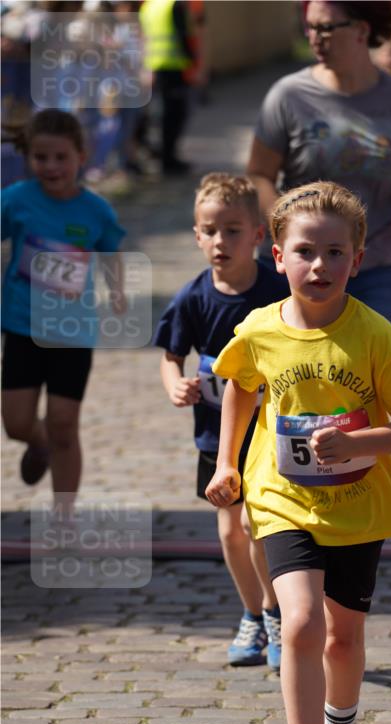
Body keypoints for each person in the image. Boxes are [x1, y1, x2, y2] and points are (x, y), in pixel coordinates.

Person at [205, 181, 391, 724]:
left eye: (335, 253)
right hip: (281, 498)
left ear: (357, 261)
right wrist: (228, 463)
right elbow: (239, 388)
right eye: (305, 251)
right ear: (276, 255)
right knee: (301, 622)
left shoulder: (375, 335)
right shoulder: (258, 328)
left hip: (359, 506)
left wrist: (359, 440)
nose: (319, 266)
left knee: (343, 637)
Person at [154, 173, 288, 669]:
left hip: (272, 432)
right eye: (209, 231)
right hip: (216, 434)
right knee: (231, 532)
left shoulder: (279, 290)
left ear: (259, 235)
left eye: (232, 230)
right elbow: (171, 354)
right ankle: (252, 614)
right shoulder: (192, 297)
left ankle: (274, 612)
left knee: (257, 526)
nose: (219, 241)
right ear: (196, 235)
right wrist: (175, 384)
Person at [246, 0, 391, 333]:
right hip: (298, 269)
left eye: (326, 28)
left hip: (376, 267)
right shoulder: (289, 96)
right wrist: (286, 224)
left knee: (373, 378)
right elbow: (259, 174)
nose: (315, 38)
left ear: (362, 29)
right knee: (289, 378)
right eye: (309, 28)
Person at [1, 109, 126, 516]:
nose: (50, 167)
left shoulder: (96, 211)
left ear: (81, 156)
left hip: (72, 331)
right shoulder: (16, 200)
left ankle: (63, 518)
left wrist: (118, 291)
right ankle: (37, 443)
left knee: (63, 424)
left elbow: (111, 252)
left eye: (60, 157)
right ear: (28, 158)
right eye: (41, 157)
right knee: (16, 423)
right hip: (22, 326)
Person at [139, 0, 195, 175]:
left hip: (154, 66)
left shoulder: (148, 6)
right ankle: (168, 160)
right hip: (173, 67)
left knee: (161, 115)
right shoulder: (174, 5)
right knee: (174, 115)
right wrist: (193, 60)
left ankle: (163, 156)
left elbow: (143, 37)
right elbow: (183, 35)